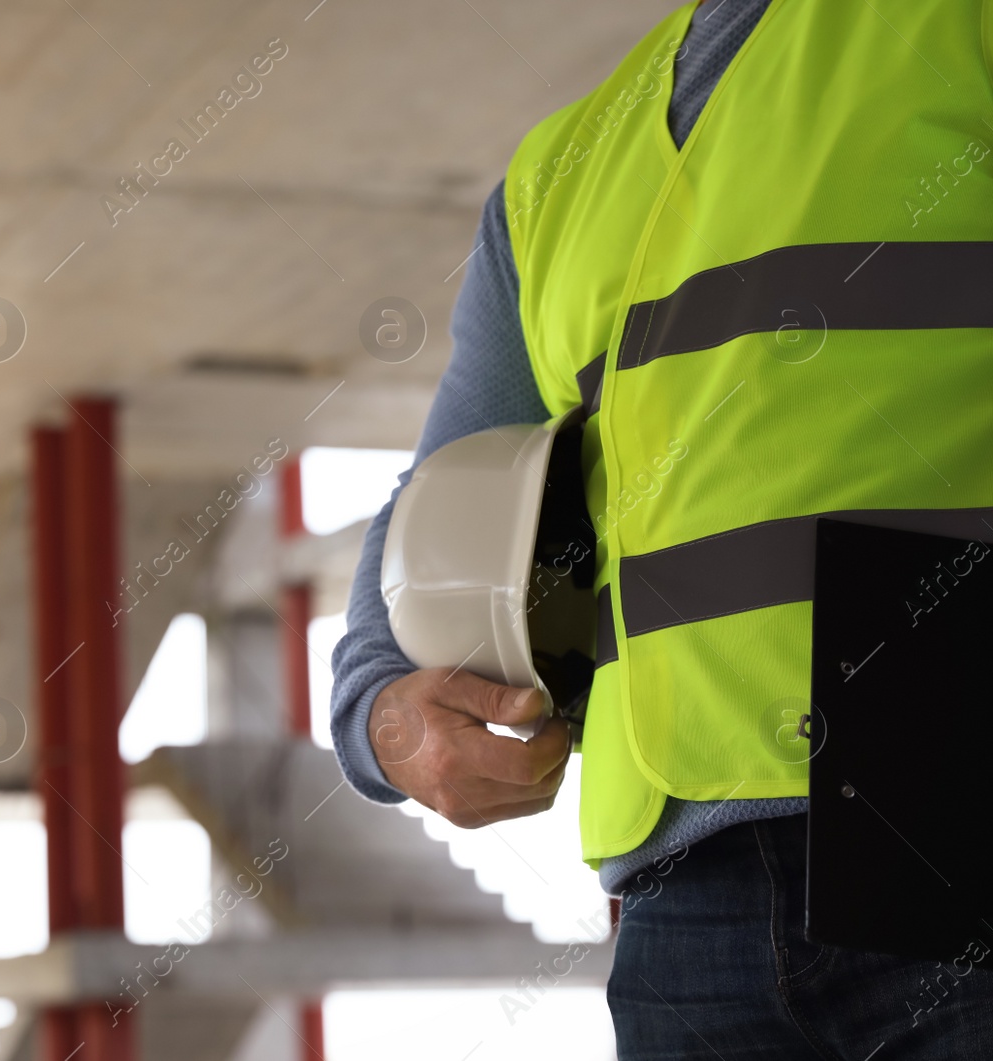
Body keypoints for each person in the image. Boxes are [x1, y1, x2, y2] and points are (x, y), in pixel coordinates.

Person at [329, 0, 993, 1054]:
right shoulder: (559, 176)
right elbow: (446, 493)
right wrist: (378, 711)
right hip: (684, 898)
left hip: (949, 796)